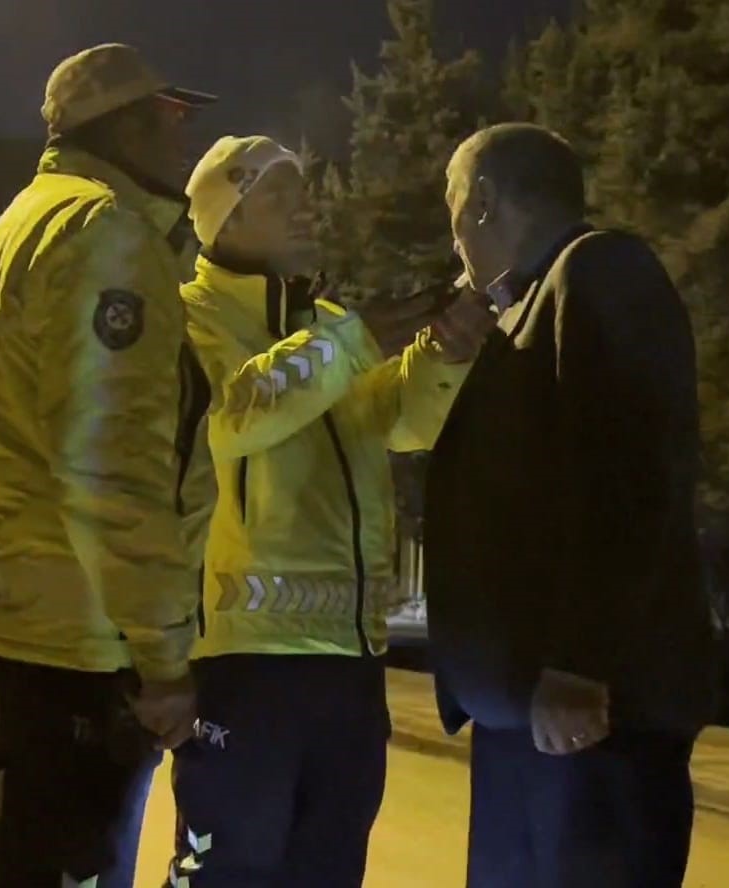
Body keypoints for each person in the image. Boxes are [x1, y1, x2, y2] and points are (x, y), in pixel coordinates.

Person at [166, 135, 496, 887]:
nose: (304, 208)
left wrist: (441, 357)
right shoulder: (186, 323)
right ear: (225, 216)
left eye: (303, 190)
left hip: (349, 662)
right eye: (278, 194)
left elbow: (402, 425)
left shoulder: (330, 325)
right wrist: (346, 342)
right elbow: (230, 416)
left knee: (327, 869)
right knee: (224, 872)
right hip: (242, 660)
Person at [0, 43, 217, 887]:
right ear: (119, 127)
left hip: (19, 650)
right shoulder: (105, 240)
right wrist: (164, 661)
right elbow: (112, 469)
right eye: (169, 117)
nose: (185, 139)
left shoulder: (3, 241)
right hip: (87, 665)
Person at [422, 123, 715, 888]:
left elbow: (633, 474)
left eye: (451, 210)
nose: (452, 238)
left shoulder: (600, 271)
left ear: (482, 202)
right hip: (540, 723)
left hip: (588, 722)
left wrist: (580, 665)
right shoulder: (527, 305)